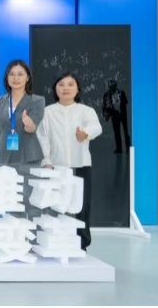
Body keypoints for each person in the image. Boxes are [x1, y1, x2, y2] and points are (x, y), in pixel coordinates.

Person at [37, 72, 102, 250]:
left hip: (81, 165)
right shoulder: (47, 112)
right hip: (56, 166)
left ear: (77, 89)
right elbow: (43, 137)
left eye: (71, 84)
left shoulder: (86, 111)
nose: (66, 88)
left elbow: (96, 127)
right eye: (61, 84)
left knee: (82, 205)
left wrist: (85, 133)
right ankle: (58, 242)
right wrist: (46, 160)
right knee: (57, 205)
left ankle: (82, 244)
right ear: (55, 89)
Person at [0, 59, 45, 219]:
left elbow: (33, 127)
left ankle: (32, 234)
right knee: (9, 202)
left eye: (20, 74)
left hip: (28, 157)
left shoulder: (37, 101)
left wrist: (29, 124)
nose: (16, 78)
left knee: (29, 201)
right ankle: (13, 234)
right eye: (12, 74)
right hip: (3, 158)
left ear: (27, 77)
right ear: (7, 78)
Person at [102, 79, 131, 154]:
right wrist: (106, 115)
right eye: (111, 86)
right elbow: (105, 106)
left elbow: (125, 102)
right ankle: (119, 148)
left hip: (122, 114)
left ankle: (128, 148)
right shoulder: (107, 95)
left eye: (113, 86)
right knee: (117, 132)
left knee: (125, 131)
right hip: (114, 115)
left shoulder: (121, 93)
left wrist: (120, 107)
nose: (112, 88)